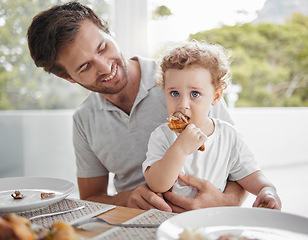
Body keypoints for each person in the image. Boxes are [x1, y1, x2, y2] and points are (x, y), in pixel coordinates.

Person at [27, 1, 248, 213]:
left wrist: (224, 202)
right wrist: (125, 199)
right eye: (85, 66)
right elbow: (91, 198)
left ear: (109, 31)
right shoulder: (84, 119)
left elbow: (241, 167)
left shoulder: (184, 82)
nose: (105, 67)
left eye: (102, 48)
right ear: (67, 77)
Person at [143, 41, 281, 210]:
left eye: (195, 94)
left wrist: (267, 190)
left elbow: (250, 174)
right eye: (174, 93)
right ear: (164, 91)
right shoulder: (162, 135)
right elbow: (157, 184)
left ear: (216, 97)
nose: (183, 104)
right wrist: (180, 149)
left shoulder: (228, 136)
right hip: (171, 221)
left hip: (213, 220)